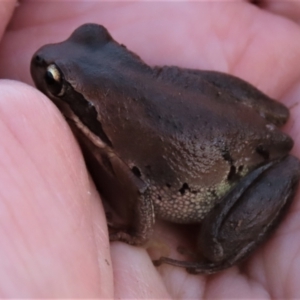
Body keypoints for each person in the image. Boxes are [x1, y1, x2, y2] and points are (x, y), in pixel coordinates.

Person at [0, 1, 300, 298]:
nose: (45, 66)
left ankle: (219, 256)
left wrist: (136, 234)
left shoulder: (112, 142)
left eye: (54, 79)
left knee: (214, 245)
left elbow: (141, 189)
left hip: (241, 168)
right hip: (228, 122)